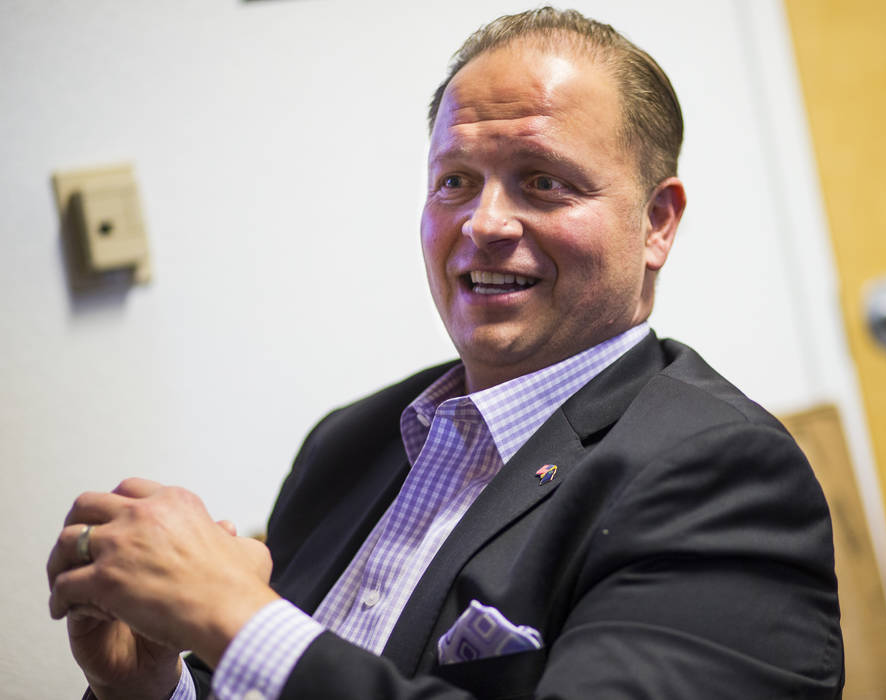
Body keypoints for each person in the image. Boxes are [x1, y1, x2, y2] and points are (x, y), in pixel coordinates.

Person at [47, 8, 844, 699]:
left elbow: (267, 645)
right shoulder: (349, 442)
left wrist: (232, 617)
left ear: (657, 223)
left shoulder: (722, 473)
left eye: (543, 182)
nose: (484, 223)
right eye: (455, 181)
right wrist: (154, 687)